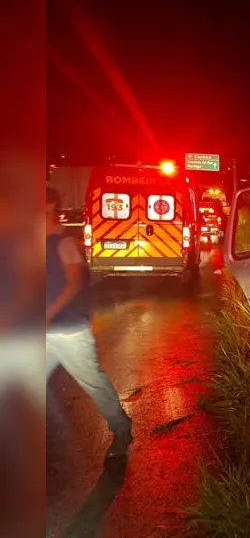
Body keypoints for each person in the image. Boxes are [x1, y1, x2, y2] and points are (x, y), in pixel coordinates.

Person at [45, 186, 133, 458]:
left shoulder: (63, 242)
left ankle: (121, 428)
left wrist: (47, 313)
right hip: (44, 331)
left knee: (92, 381)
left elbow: (75, 282)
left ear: (49, 206)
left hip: (69, 330)